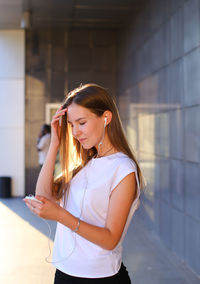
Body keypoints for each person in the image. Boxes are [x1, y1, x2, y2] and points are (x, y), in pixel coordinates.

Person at [24, 84, 145, 284]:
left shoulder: (123, 169)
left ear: (106, 118)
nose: (75, 132)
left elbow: (110, 239)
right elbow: (44, 198)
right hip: (64, 273)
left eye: (81, 122)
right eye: (71, 124)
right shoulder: (83, 165)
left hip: (101, 278)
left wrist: (60, 215)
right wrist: (54, 143)